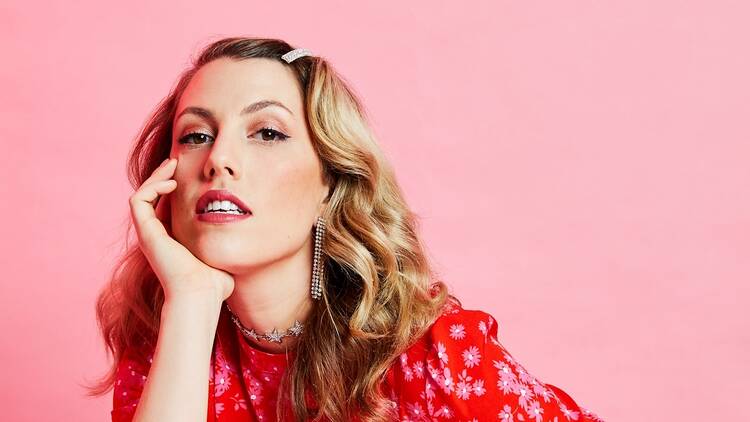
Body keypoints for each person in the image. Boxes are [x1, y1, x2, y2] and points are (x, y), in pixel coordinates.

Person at [86, 36, 605, 422]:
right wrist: (193, 300)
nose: (219, 159)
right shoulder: (169, 340)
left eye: (267, 132)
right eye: (196, 134)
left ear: (330, 183)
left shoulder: (433, 357)